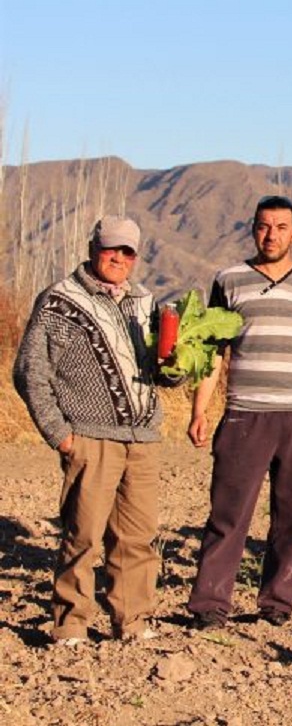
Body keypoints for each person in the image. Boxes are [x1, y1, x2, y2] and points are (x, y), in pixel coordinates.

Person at [186, 195, 292, 629]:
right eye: (263, 226)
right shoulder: (229, 280)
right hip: (246, 414)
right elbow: (213, 349)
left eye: (280, 227)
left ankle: (277, 603)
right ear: (252, 229)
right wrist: (200, 410)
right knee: (228, 515)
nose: (271, 234)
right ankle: (210, 606)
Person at [13, 216, 170, 645]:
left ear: (136, 257)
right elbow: (30, 371)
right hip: (89, 436)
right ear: (92, 247)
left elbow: (160, 372)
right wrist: (59, 433)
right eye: (110, 249)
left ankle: (132, 621)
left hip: (142, 439)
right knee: (82, 536)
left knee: (137, 538)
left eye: (127, 252)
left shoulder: (145, 302)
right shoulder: (60, 301)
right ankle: (71, 624)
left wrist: (173, 370)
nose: (118, 258)